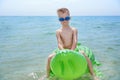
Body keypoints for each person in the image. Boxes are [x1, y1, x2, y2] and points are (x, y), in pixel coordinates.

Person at [46, 8, 99, 80]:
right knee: (49, 57)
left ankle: (93, 74)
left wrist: (72, 51)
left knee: (84, 54)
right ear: (58, 19)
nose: (64, 20)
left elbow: (75, 41)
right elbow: (59, 43)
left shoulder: (74, 30)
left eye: (66, 18)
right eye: (61, 19)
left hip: (73, 49)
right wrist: (62, 51)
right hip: (62, 51)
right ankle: (47, 76)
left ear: (70, 18)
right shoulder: (58, 31)